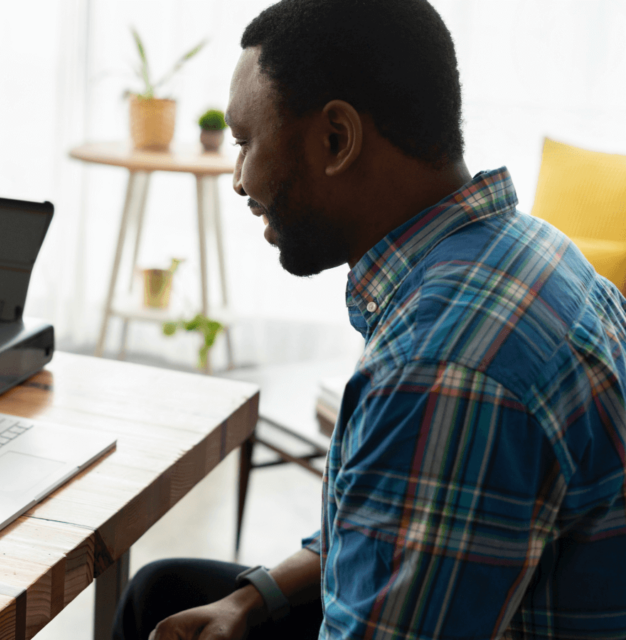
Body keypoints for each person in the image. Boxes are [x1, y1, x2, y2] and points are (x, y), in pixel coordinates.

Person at [112, 1, 626, 639]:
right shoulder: (527, 252)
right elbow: (393, 518)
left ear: (336, 140)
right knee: (162, 593)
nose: (240, 180)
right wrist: (253, 600)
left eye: (247, 143)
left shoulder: (441, 366)